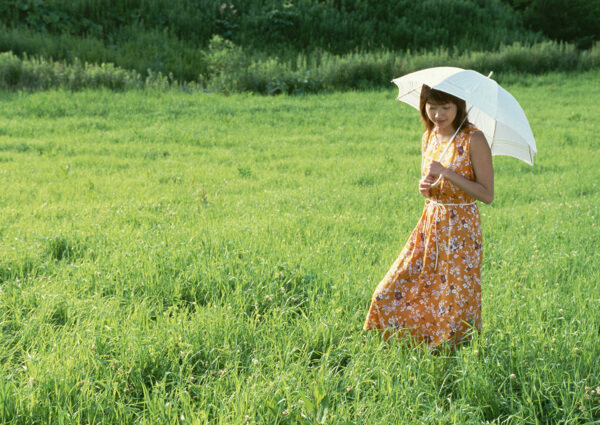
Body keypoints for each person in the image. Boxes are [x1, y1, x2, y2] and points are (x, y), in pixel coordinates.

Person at [363, 84, 494, 348]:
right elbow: (429, 183)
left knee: (453, 295)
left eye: (445, 107)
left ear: (459, 106)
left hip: (461, 230)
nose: (438, 114)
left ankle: (449, 350)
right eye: (431, 106)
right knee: (392, 287)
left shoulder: (473, 138)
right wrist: (425, 186)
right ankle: (417, 339)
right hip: (430, 223)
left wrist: (448, 173)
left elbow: (487, 194)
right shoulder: (429, 136)